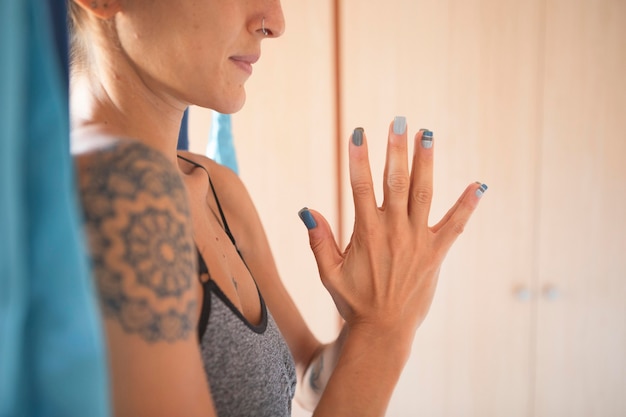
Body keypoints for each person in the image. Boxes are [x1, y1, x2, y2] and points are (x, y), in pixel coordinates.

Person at [67, 0, 487, 416]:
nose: (275, 22)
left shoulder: (216, 188)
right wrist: (385, 333)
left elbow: (308, 383)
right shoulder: (110, 192)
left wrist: (383, 305)